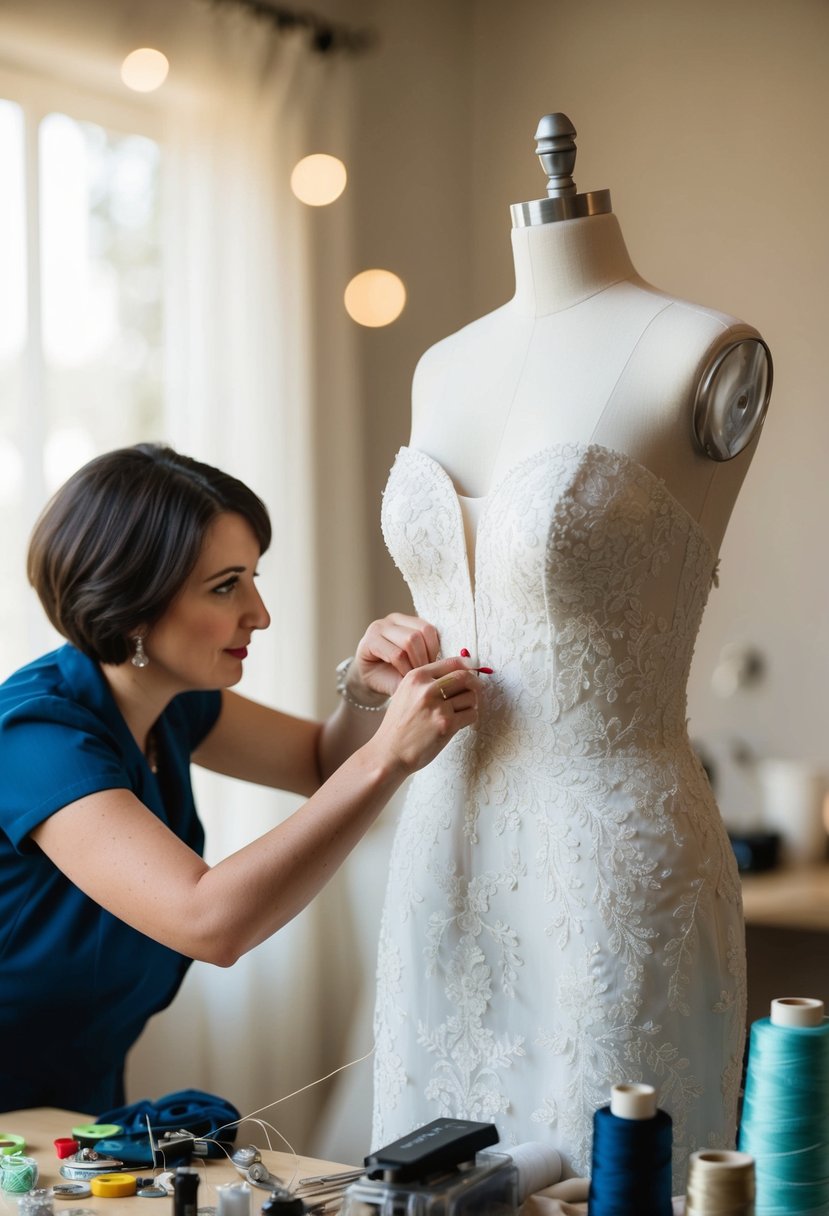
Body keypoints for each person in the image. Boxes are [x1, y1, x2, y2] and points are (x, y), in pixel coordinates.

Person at [371, 115, 770, 1189]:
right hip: (441, 851)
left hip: (610, 862)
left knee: (607, 1172)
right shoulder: (439, 366)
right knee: (421, 1182)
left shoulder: (700, 350)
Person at [0, 443, 481, 1115]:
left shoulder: (169, 699)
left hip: (75, 1102)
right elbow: (209, 921)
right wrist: (387, 757)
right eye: (226, 586)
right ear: (132, 605)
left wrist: (365, 690)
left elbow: (318, 763)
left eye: (254, 577)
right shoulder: (36, 739)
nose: (258, 613)